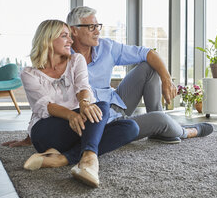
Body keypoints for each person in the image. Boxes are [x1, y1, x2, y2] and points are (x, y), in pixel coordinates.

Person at [4, 6, 213, 148]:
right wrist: (33, 135)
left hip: (113, 105)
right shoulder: (64, 59)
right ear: (74, 31)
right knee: (154, 121)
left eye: (98, 26)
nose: (97, 31)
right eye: (91, 27)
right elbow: (45, 99)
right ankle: (180, 130)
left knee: (149, 67)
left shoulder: (106, 47)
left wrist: (167, 78)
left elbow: (148, 52)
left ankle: (158, 126)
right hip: (93, 118)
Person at [20, 19, 139, 188]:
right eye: (64, 36)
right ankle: (87, 155)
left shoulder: (76, 60)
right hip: (47, 131)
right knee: (101, 112)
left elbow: (83, 87)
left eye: (70, 36)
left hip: (79, 124)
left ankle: (70, 158)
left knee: (129, 126)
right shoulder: (29, 73)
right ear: (48, 39)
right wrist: (70, 115)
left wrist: (84, 104)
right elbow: (44, 105)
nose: (71, 41)